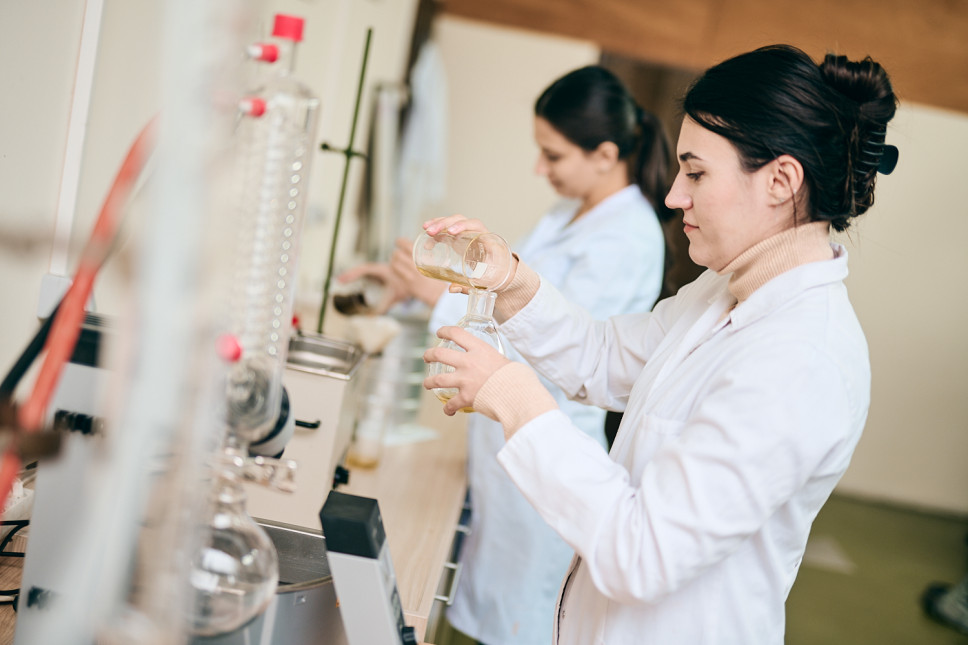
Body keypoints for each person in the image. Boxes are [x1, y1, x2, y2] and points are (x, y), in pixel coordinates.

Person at [421, 44, 899, 644]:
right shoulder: (722, 293)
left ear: (781, 180)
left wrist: (515, 400)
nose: (674, 196)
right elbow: (600, 356)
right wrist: (512, 282)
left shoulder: (801, 361)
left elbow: (642, 554)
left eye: (696, 173)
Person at [340, 65, 673, 644]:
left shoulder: (630, 237)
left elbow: (558, 347)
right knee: (483, 604)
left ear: (605, 154)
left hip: (549, 438)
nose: (540, 169)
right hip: (503, 440)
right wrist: (415, 285)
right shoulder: (569, 212)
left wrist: (435, 292)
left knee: (523, 621)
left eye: (553, 155)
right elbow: (500, 294)